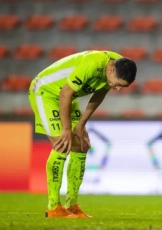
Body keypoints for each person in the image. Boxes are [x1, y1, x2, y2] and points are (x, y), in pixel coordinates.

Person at [28, 50, 137, 218]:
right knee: (63, 144)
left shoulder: (118, 64)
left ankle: (71, 205)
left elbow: (99, 94)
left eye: (122, 87)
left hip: (67, 97)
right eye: (117, 84)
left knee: (81, 145)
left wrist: (81, 124)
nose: (117, 88)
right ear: (110, 71)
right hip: (46, 93)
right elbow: (65, 92)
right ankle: (53, 207)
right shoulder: (93, 64)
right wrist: (66, 129)